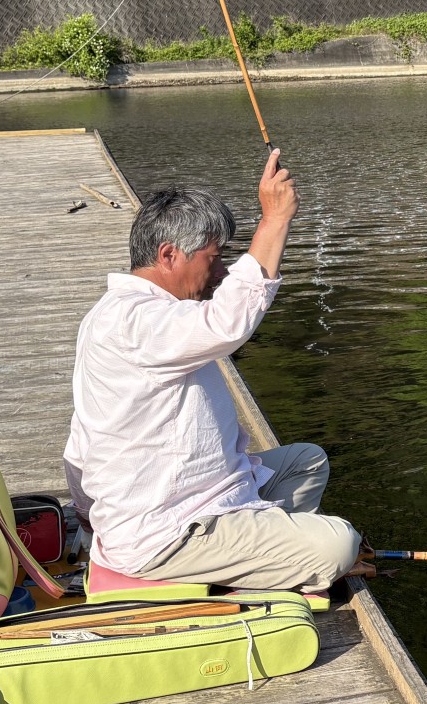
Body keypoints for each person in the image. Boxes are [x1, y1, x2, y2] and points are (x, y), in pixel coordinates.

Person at [63, 149, 364, 596]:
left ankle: (262, 551)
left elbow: (82, 443)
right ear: (169, 255)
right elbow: (226, 324)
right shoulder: (132, 321)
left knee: (306, 462)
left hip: (201, 500)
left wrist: (91, 520)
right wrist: (274, 220)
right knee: (340, 544)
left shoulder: (132, 315)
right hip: (168, 533)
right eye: (214, 257)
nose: (222, 271)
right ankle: (268, 562)